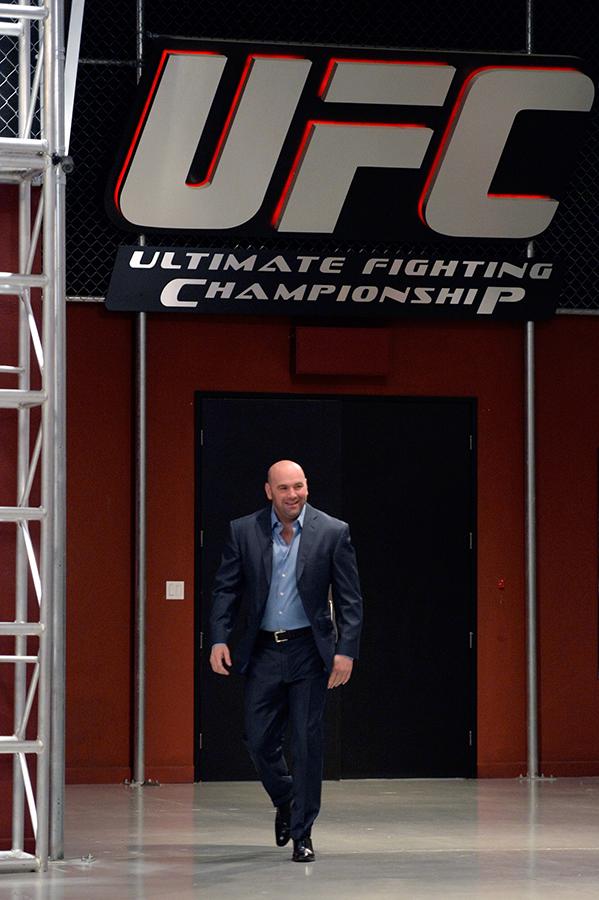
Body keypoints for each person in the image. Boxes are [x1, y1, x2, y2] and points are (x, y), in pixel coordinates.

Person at [209, 459, 363, 862]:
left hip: (309, 652)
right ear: (268, 491)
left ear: (307, 487)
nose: (293, 495)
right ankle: (286, 798)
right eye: (284, 489)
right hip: (262, 650)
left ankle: (303, 833)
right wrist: (219, 639)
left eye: (299, 486)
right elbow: (225, 590)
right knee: (258, 739)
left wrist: (346, 650)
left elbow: (350, 598)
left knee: (307, 743)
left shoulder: (333, 532)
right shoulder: (244, 531)